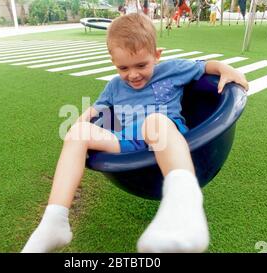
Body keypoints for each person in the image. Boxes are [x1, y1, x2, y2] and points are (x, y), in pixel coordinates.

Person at [21, 13, 248, 253]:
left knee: (154, 122)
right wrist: (83, 119)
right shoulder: (114, 86)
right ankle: (54, 220)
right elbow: (98, 109)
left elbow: (205, 66)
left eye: (141, 65)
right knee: (78, 133)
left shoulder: (171, 69)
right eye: (123, 67)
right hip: (128, 140)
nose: (133, 74)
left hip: (167, 134)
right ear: (113, 62)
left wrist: (226, 69)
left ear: (156, 55)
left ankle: (184, 203)